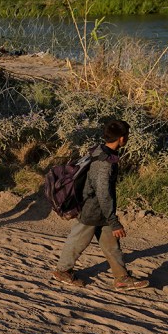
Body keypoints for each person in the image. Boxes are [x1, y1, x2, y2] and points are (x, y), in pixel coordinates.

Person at [53, 120, 149, 291]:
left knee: (111, 243)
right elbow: (103, 194)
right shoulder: (105, 163)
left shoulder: (98, 150)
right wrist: (114, 221)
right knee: (78, 241)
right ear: (121, 139)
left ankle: (121, 278)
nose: (127, 139)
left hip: (97, 209)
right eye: (126, 136)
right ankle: (62, 271)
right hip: (92, 209)